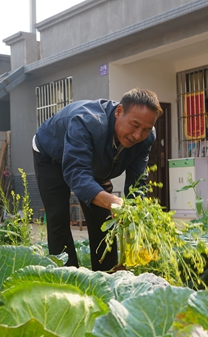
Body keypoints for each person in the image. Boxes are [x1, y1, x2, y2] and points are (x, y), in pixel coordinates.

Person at [32, 88, 163, 271]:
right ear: (119, 112)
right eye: (134, 126)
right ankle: (66, 277)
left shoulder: (146, 138)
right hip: (51, 154)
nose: (138, 135)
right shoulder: (86, 122)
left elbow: (138, 181)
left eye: (146, 129)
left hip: (93, 161)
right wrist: (113, 201)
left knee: (103, 221)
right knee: (58, 218)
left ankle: (106, 275)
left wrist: (136, 214)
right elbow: (76, 172)